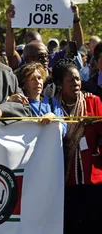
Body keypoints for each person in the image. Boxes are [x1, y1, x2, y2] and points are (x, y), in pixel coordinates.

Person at [51, 58, 102, 233]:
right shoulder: (52, 107)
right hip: (65, 179)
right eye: (70, 80)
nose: (76, 83)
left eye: (78, 79)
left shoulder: (92, 102)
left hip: (92, 178)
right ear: (60, 83)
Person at [5, 3, 84, 70]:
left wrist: (75, 19)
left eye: (44, 55)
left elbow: (76, 45)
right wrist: (9, 23)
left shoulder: (53, 58)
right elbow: (10, 53)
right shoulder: (22, 63)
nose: (44, 59)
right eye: (32, 47)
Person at [17, 63, 66, 136]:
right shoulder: (18, 105)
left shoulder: (52, 103)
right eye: (33, 79)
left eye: (40, 78)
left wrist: (54, 118)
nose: (38, 82)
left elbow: (63, 131)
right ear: (24, 84)